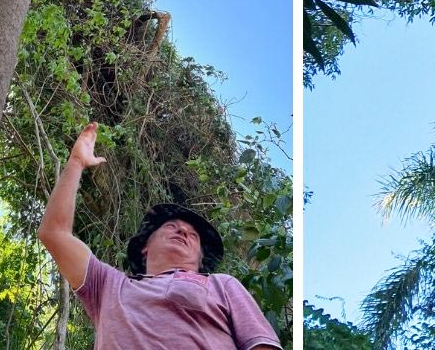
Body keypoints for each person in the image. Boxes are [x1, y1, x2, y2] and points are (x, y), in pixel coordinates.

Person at [37, 122, 282, 350]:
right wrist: (76, 162)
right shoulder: (107, 286)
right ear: (145, 246)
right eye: (171, 226)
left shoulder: (221, 284)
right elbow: (54, 233)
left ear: (200, 258)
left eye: (193, 235)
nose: (183, 231)